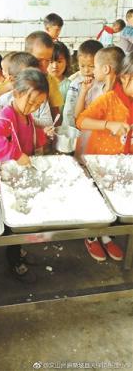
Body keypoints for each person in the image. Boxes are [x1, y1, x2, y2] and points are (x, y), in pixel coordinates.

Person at [0, 68, 54, 283]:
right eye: (31, 102)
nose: (33, 108)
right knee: (12, 221)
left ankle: (17, 248)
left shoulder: (26, 115)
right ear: (16, 93)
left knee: (22, 215)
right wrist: (15, 153)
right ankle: (13, 258)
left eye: (38, 105)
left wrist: (43, 134)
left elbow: (29, 136)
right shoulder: (6, 116)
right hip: (5, 175)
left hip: (19, 174)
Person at [76, 52, 133, 262]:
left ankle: (106, 235)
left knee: (113, 201)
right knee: (97, 203)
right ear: (126, 78)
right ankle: (91, 236)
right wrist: (109, 125)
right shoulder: (110, 99)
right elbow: (81, 120)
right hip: (99, 161)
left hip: (123, 163)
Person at [0, 52, 53, 128]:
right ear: (12, 80)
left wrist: (26, 120)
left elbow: (48, 122)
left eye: (35, 75)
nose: (33, 80)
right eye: (27, 77)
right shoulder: (6, 98)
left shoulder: (40, 98)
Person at [62, 39, 103, 126]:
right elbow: (70, 112)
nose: (86, 70)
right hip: (78, 128)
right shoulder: (75, 83)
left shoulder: (103, 83)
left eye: (91, 66)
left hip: (98, 126)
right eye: (82, 66)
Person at [25, 31, 63, 121]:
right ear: (27, 55)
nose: (43, 65)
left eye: (48, 60)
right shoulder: (16, 76)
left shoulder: (50, 81)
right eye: (39, 60)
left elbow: (55, 111)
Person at [47, 41, 71, 116]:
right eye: (50, 62)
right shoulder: (40, 83)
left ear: (66, 62)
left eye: (59, 61)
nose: (55, 66)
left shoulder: (71, 85)